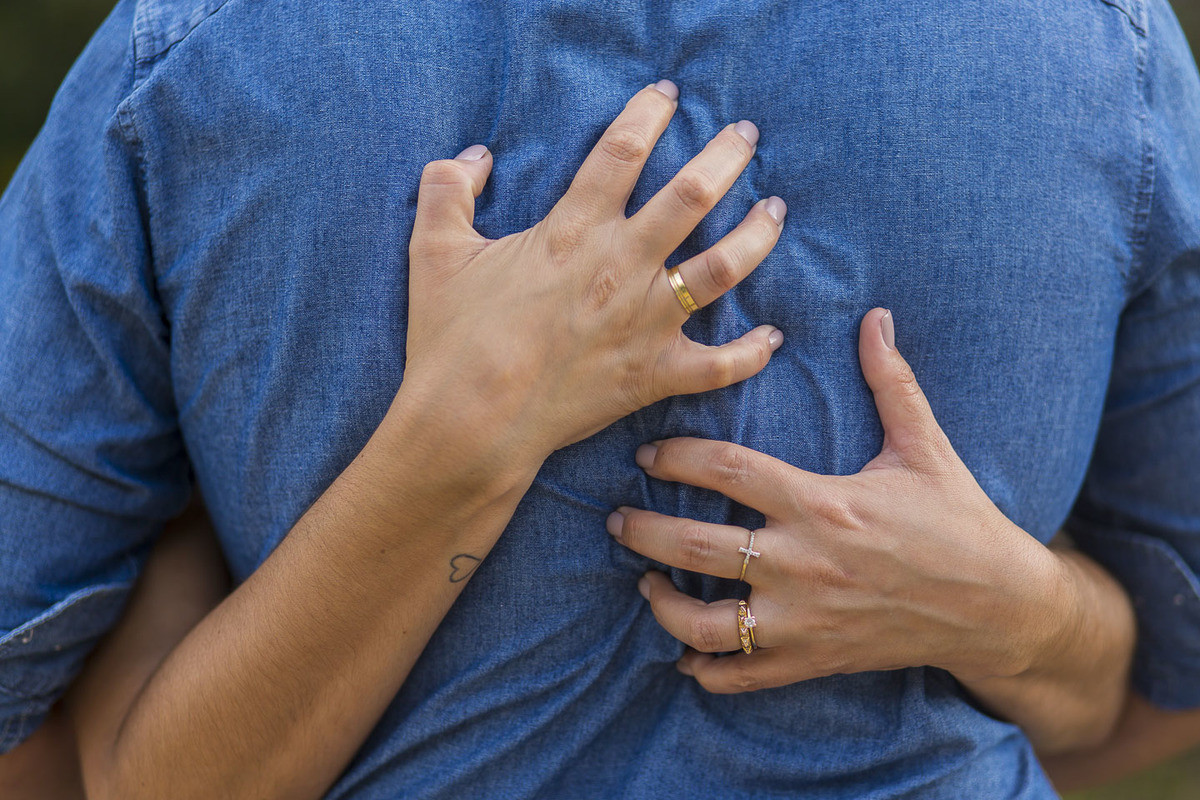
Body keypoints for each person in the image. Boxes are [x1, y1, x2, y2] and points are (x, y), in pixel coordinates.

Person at [1, 0, 1199, 797]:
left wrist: (1014, 608)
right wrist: (466, 433)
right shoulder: (1105, 55)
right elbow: (1163, 696)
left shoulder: (200, 51)